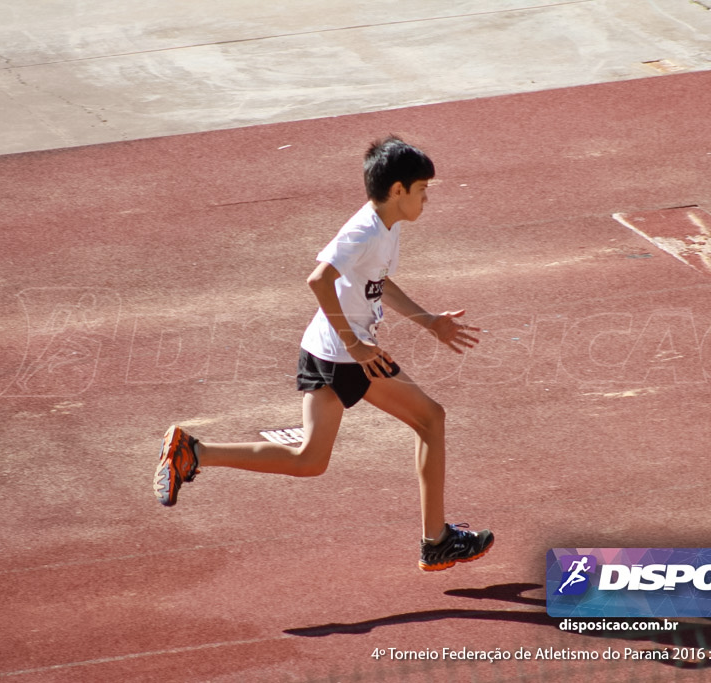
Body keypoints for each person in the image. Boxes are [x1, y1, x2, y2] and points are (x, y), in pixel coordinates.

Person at [153, 136, 493, 571]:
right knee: (431, 418)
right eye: (423, 189)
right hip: (346, 355)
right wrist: (354, 342)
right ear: (397, 190)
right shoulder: (364, 230)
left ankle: (194, 452)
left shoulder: (386, 229)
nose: (427, 198)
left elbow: (378, 283)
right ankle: (436, 541)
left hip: (327, 351)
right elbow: (318, 280)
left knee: (310, 460)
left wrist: (427, 320)